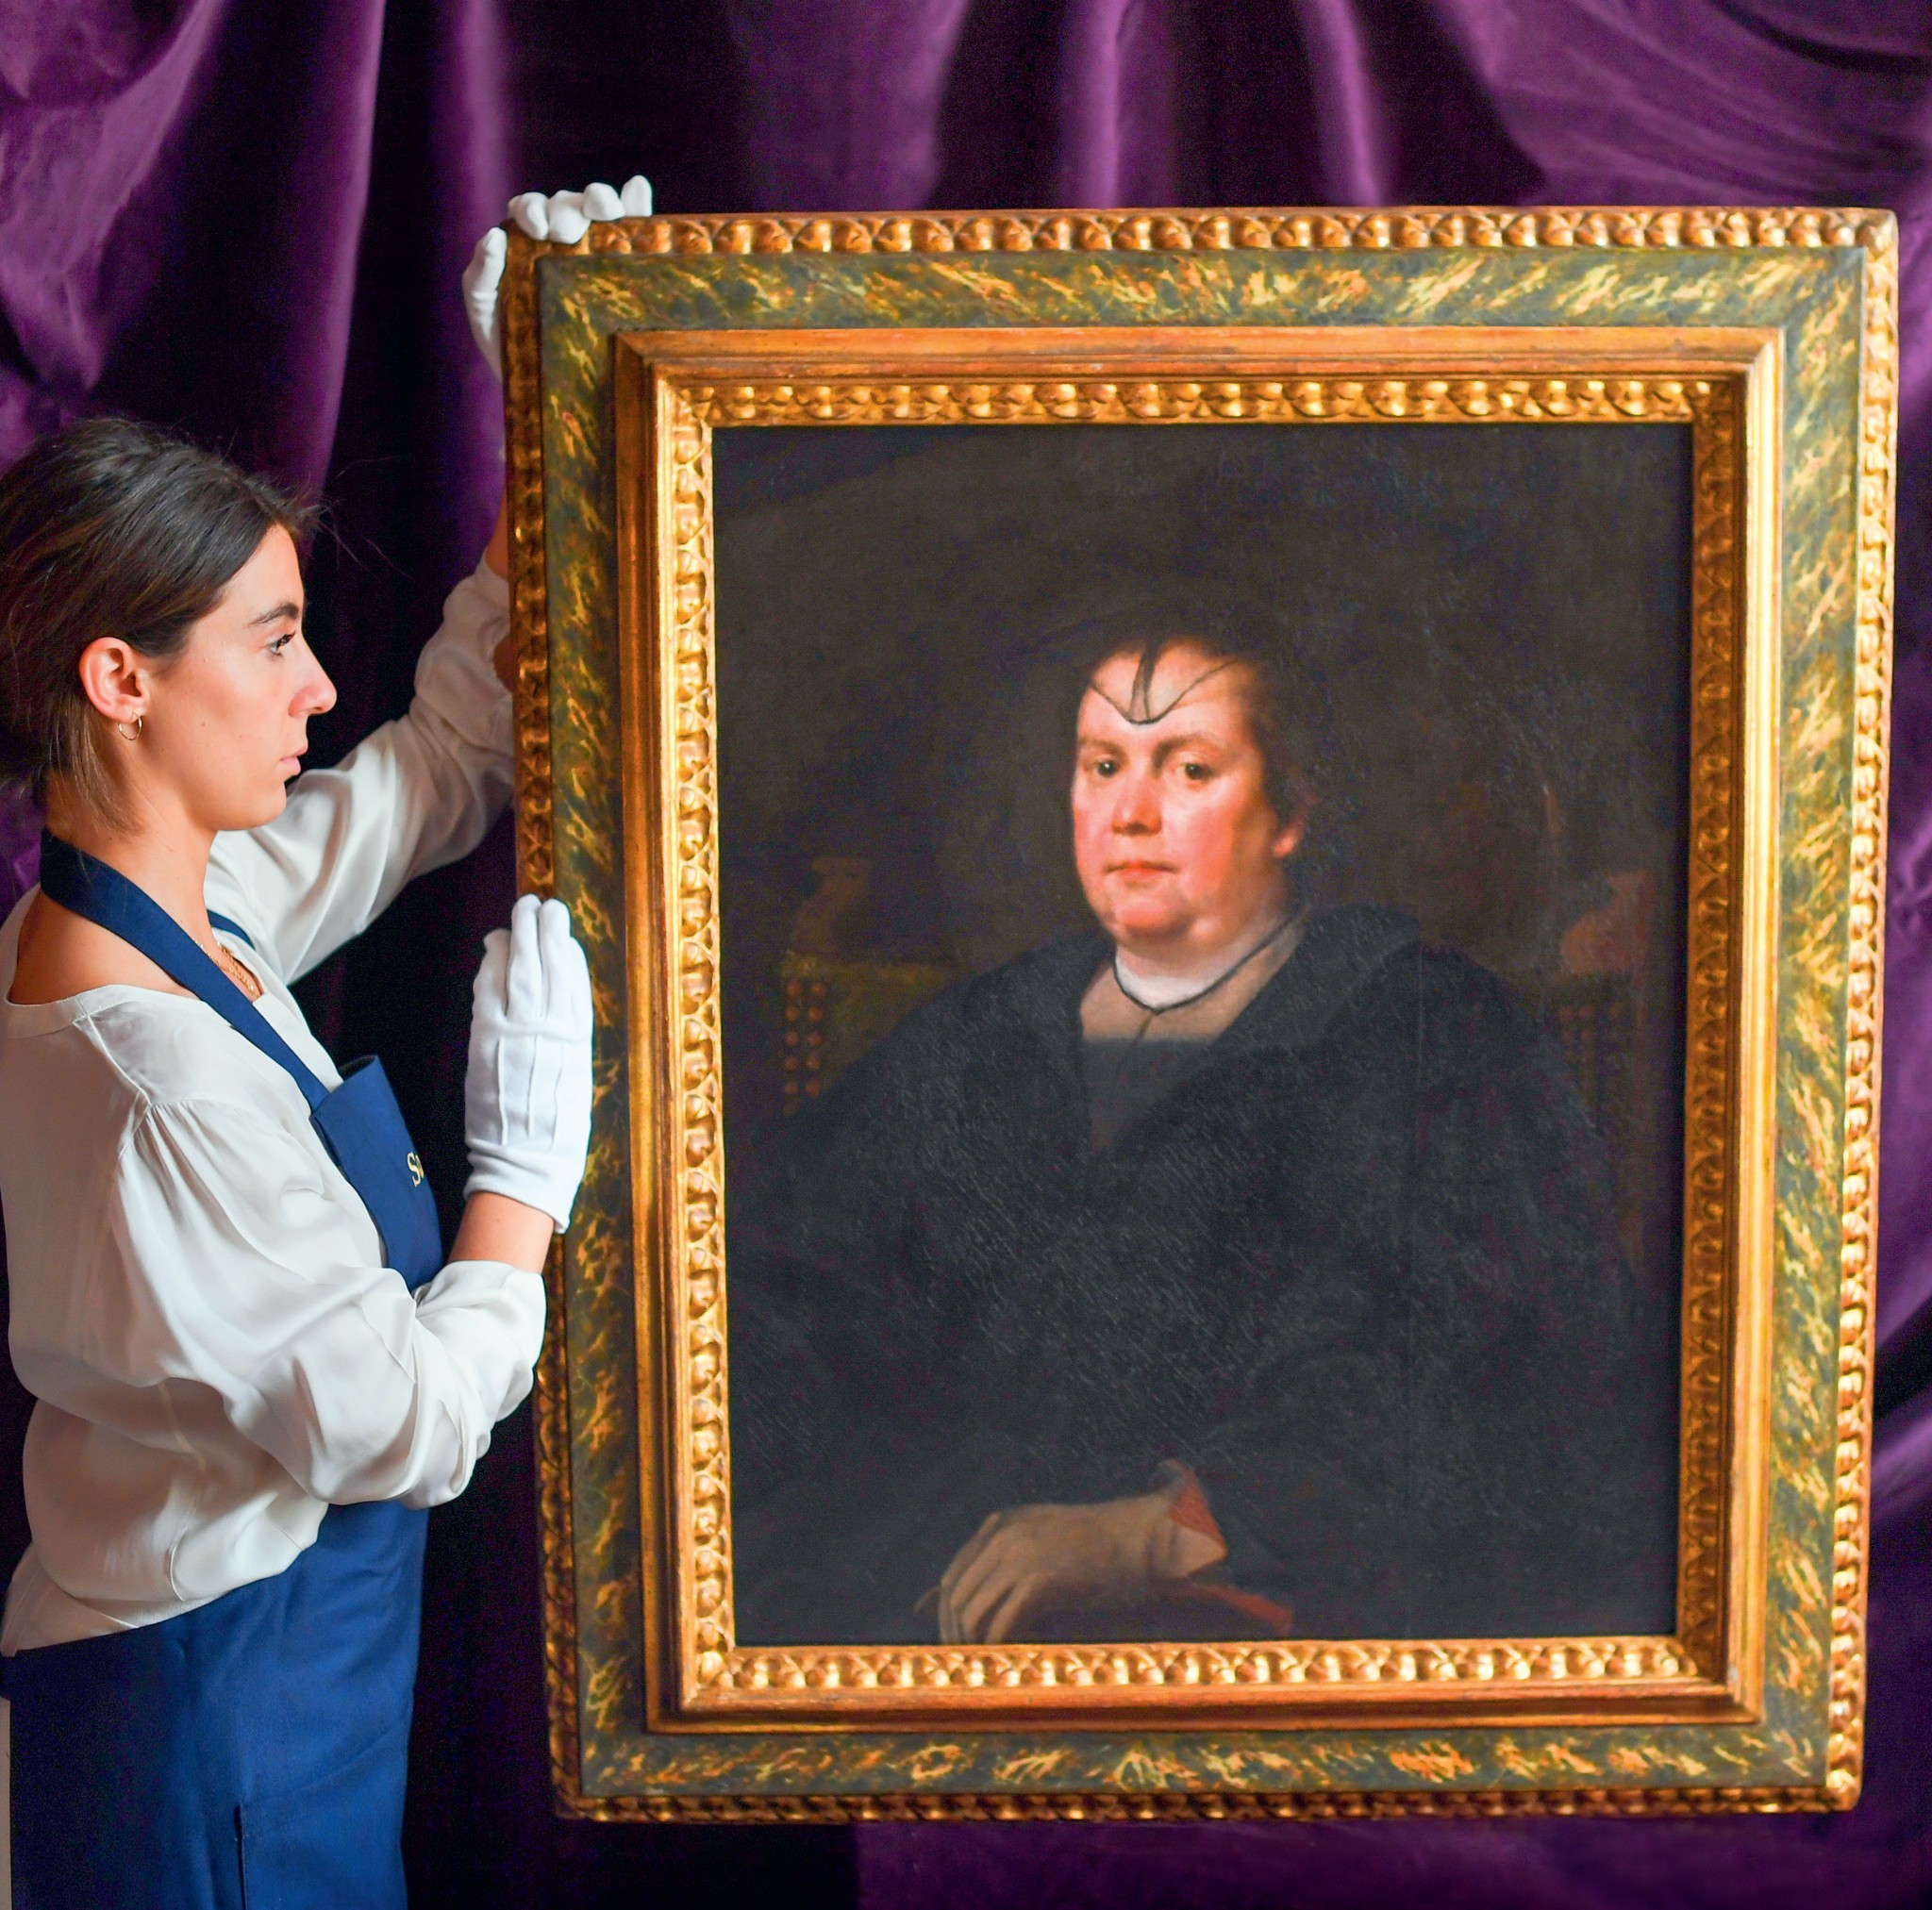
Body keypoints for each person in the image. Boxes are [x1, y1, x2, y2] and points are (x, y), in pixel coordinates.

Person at [0, 179, 641, 1909]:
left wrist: (549, 407)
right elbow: (413, 1424)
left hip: (240, 1690)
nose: (314, 688)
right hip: (216, 1724)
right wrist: (523, 1175)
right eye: (273, 642)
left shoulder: (159, 913)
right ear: (122, 678)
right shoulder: (158, 1086)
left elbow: (435, 769)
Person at [727, 600, 1681, 1650]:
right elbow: (795, 1292)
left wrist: (1163, 1531)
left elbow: (1468, 1378)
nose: (1130, 814)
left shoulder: (1422, 1029)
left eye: (1187, 769)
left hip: (1261, 1624)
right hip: (927, 1599)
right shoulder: (979, 1034)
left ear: (1288, 814)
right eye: (1102, 766)